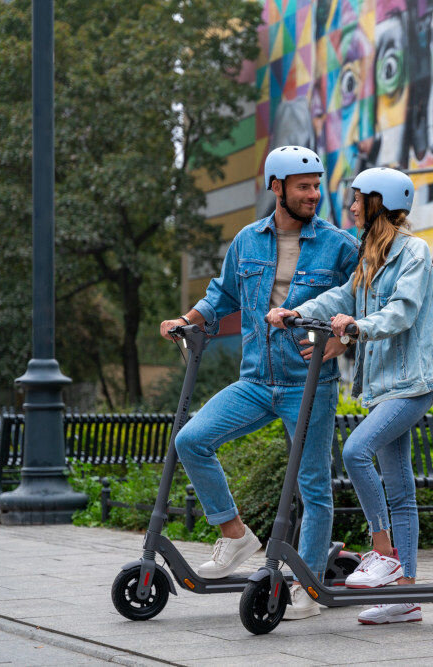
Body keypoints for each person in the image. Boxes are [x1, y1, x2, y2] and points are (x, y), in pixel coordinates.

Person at [159, 146, 359, 620]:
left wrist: (342, 341)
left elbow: (362, 304)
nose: (314, 194)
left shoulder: (340, 246)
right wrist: (185, 320)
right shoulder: (247, 241)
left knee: (313, 485)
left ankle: (307, 585)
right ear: (277, 188)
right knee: (191, 439)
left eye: (316, 185)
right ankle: (235, 534)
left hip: (309, 381)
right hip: (255, 380)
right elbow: (223, 294)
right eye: (303, 186)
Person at [267, 167, 433, 625]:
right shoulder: (369, 253)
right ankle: (405, 596)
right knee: (400, 489)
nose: (349, 206)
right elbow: (342, 295)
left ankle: (382, 550)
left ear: (378, 202)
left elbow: (403, 310)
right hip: (383, 386)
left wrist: (358, 327)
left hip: (413, 383)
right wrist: (297, 312)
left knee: (355, 450)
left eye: (356, 198)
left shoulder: (414, 252)